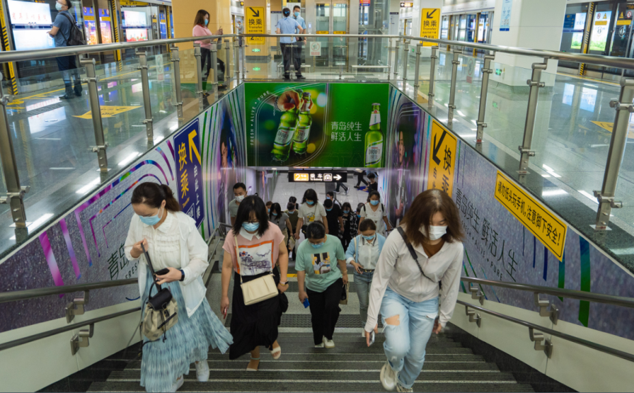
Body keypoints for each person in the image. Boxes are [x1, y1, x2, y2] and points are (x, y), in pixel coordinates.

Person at [124, 183, 233, 392]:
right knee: (161, 335)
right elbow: (129, 251)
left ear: (163, 204)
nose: (142, 218)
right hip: (154, 287)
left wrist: (181, 274)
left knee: (190, 330)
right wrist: (136, 251)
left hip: (182, 286)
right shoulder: (137, 221)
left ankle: (200, 360)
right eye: (138, 214)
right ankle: (173, 376)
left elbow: (201, 259)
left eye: (147, 214)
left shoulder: (183, 224)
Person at [365, 190, 464, 393]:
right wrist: (371, 318)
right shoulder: (398, 238)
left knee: (417, 356)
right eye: (430, 222)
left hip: (426, 303)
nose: (435, 228)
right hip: (395, 297)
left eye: (442, 222)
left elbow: (451, 284)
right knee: (397, 348)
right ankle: (393, 366)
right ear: (418, 218)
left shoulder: (455, 247)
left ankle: (405, 384)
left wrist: (444, 316)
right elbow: (380, 278)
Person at [221, 196, 289, 371]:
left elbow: (282, 253)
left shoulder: (272, 230)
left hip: (268, 278)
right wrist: (224, 296)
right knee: (247, 324)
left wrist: (283, 280)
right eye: (247, 220)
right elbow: (227, 266)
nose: (251, 224)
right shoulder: (233, 235)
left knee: (268, 317)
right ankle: (255, 357)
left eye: (256, 220)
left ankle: (271, 340)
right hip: (244, 282)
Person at [296, 222, 348, 348]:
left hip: (332, 280)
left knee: (331, 307)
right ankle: (318, 339)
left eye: (318, 241)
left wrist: (345, 273)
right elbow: (300, 270)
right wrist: (301, 290)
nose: (315, 244)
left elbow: (341, 258)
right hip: (313, 284)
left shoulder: (334, 241)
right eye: (312, 242)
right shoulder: (302, 247)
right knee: (316, 314)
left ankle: (328, 336)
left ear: (325, 235)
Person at [345, 219, 385, 337]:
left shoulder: (382, 240)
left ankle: (373, 324)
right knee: (364, 304)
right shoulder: (356, 241)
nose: (368, 237)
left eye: (371, 234)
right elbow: (347, 254)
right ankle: (364, 326)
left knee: (376, 303)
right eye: (365, 235)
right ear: (360, 232)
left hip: (376, 275)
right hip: (360, 275)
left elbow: (388, 255)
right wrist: (354, 263)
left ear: (375, 231)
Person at [48, 0, 82, 99]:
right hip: (71, 47)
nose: (57, 3)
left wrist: (49, 32)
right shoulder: (70, 16)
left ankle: (69, 92)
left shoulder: (60, 16)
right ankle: (78, 89)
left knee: (64, 70)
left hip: (62, 48)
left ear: (66, 6)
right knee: (73, 67)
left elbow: (53, 33)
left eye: (60, 2)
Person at [192, 10, 225, 96]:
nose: (207, 19)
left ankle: (219, 84)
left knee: (220, 64)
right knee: (204, 71)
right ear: (201, 17)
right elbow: (206, 40)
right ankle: (202, 91)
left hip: (209, 51)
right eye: (206, 18)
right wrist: (215, 34)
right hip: (201, 51)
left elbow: (210, 39)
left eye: (208, 18)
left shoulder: (205, 28)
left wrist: (218, 35)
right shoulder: (197, 28)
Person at [276, 7, 305, 80]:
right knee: (295, 58)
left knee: (286, 58)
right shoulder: (293, 21)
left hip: (283, 42)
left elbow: (278, 32)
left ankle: (287, 75)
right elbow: (301, 29)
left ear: (283, 13)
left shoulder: (280, 21)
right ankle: (298, 75)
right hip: (293, 42)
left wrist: (278, 32)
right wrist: (297, 36)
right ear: (290, 13)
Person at [292, 6, 306, 75]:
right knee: (293, 56)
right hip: (291, 39)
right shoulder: (290, 19)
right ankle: (296, 71)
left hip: (299, 39)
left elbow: (304, 29)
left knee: (298, 56)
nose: (297, 12)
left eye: (298, 11)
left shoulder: (301, 19)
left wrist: (305, 38)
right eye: (296, 10)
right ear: (293, 11)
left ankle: (298, 71)